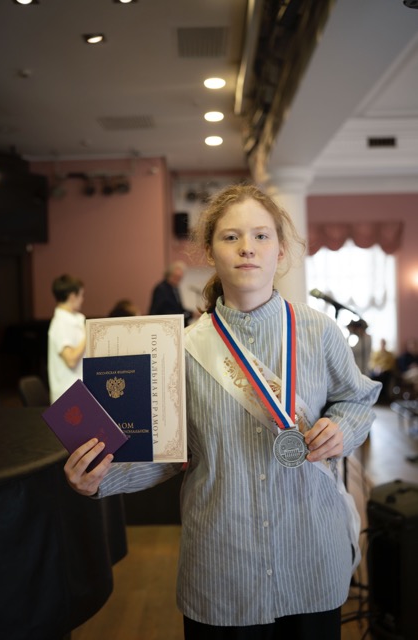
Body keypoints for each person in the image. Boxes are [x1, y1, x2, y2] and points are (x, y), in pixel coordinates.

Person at [64, 184, 381, 640]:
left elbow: (358, 399)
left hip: (311, 554)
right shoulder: (181, 348)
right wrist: (99, 478)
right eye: (231, 237)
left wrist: (342, 428)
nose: (247, 248)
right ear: (210, 252)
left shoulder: (319, 331)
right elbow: (169, 453)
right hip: (224, 567)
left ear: (280, 250)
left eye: (261, 236)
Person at [47, 274, 86, 403]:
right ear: (72, 296)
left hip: (77, 390)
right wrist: (89, 334)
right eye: (81, 295)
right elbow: (70, 360)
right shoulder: (61, 323)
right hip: (67, 395)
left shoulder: (75, 319)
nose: (82, 299)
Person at [148, 261, 195, 326]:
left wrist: (191, 313)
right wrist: (188, 315)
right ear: (169, 275)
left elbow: (179, 308)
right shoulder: (161, 289)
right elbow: (159, 311)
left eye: (180, 277)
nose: (178, 280)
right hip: (164, 325)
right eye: (176, 277)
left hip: (173, 323)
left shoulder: (174, 288)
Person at [369, 338, 396, 403]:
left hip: (386, 371)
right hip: (376, 371)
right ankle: (375, 396)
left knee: (385, 378)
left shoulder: (389, 354)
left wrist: (383, 368)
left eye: (383, 344)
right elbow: (372, 363)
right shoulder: (375, 353)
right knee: (373, 377)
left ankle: (383, 396)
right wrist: (376, 368)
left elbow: (391, 364)